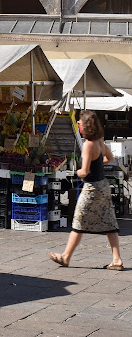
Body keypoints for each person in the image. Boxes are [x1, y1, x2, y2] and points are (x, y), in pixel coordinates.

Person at [49, 110, 123, 270]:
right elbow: (109, 159)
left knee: (78, 221)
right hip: (103, 185)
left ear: (86, 125)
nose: (79, 125)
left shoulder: (88, 144)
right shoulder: (99, 142)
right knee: (109, 222)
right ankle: (116, 259)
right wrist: (98, 165)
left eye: (80, 123)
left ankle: (66, 257)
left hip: (92, 188)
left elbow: (84, 171)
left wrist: (77, 172)